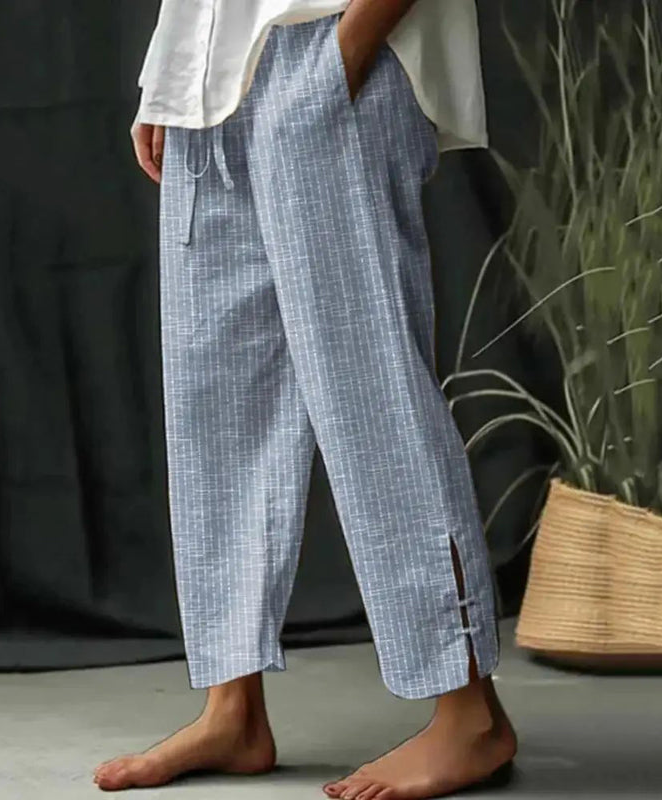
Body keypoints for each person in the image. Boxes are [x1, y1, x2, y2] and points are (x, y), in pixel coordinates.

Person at [93, 1, 518, 796]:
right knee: (215, 405)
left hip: (333, 44)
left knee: (373, 395)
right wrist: (170, 69)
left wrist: (349, 50)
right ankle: (233, 711)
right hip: (209, 75)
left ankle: (471, 715)